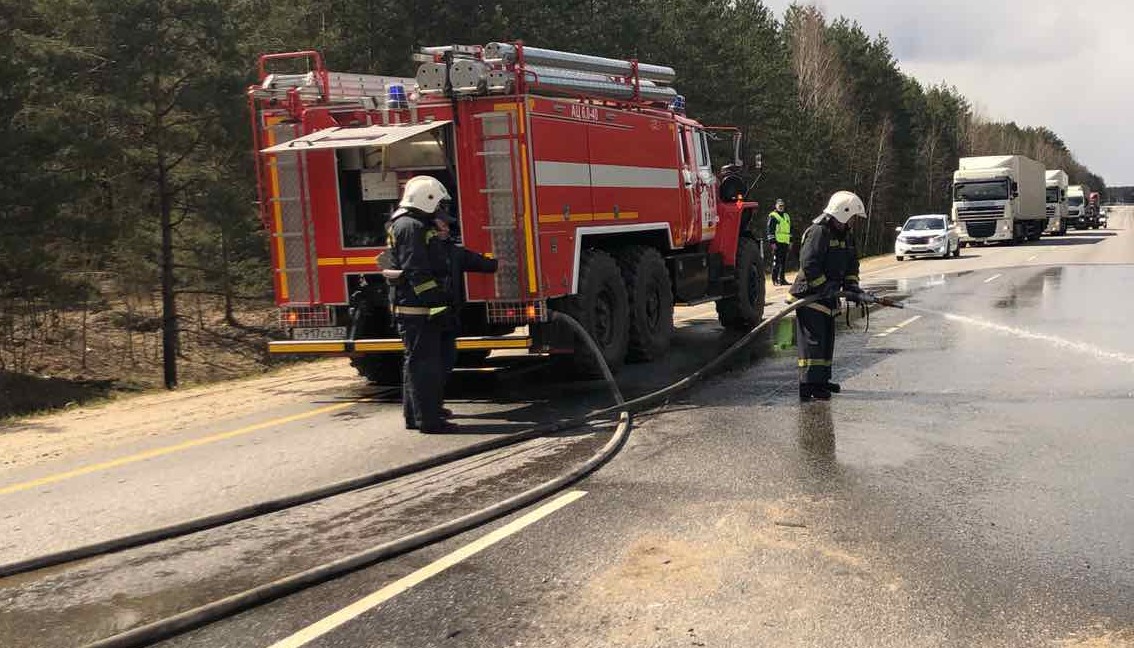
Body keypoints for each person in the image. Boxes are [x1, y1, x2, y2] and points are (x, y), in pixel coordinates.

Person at [382, 176, 458, 433]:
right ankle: (429, 420)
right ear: (426, 200)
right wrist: (437, 303)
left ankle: (416, 415)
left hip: (413, 306)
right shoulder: (412, 227)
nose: (439, 209)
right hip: (417, 308)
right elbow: (417, 271)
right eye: (437, 204)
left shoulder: (407, 224)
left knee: (416, 363)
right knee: (424, 365)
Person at [789, 191, 866, 401]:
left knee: (826, 341)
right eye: (851, 218)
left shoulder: (845, 235)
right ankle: (807, 385)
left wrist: (852, 286)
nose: (852, 222)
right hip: (810, 295)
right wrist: (823, 287)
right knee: (813, 342)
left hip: (828, 296)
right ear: (841, 213)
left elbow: (852, 263)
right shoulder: (819, 232)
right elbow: (809, 264)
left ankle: (821, 381)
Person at [432, 212, 498, 394]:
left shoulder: (450, 253)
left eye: (446, 226)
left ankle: (430, 407)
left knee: (438, 360)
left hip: (441, 317)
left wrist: (498, 263)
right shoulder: (444, 253)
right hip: (435, 317)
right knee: (437, 361)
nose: (445, 229)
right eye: (441, 226)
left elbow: (482, 263)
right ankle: (430, 408)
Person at [766, 199, 793, 285]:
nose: (781, 207)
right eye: (779, 206)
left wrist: (791, 241)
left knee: (783, 262)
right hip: (777, 242)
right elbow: (770, 230)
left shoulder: (786, 216)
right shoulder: (773, 216)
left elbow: (790, 229)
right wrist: (772, 242)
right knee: (776, 261)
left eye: (782, 206)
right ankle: (774, 280)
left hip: (785, 241)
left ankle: (782, 279)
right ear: (776, 206)